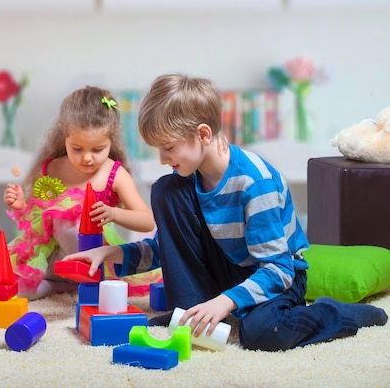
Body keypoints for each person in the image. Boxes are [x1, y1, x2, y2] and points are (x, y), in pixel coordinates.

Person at [64, 74, 388, 351]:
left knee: (263, 334)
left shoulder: (253, 182)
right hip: (227, 264)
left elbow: (279, 270)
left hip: (275, 273)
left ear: (203, 134)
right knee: (166, 189)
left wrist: (225, 302)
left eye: (169, 147)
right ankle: (191, 309)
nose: (163, 158)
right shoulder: (187, 181)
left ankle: (334, 313)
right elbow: (172, 250)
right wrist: (110, 252)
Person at [0, 86, 160, 300]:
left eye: (97, 150)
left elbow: (147, 221)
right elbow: (38, 219)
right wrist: (21, 205)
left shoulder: (115, 173)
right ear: (64, 137)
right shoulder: (52, 167)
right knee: (14, 286)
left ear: (111, 142)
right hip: (53, 257)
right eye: (77, 149)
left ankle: (74, 280)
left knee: (71, 221)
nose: (87, 158)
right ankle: (57, 285)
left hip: (90, 258)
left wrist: (113, 213)